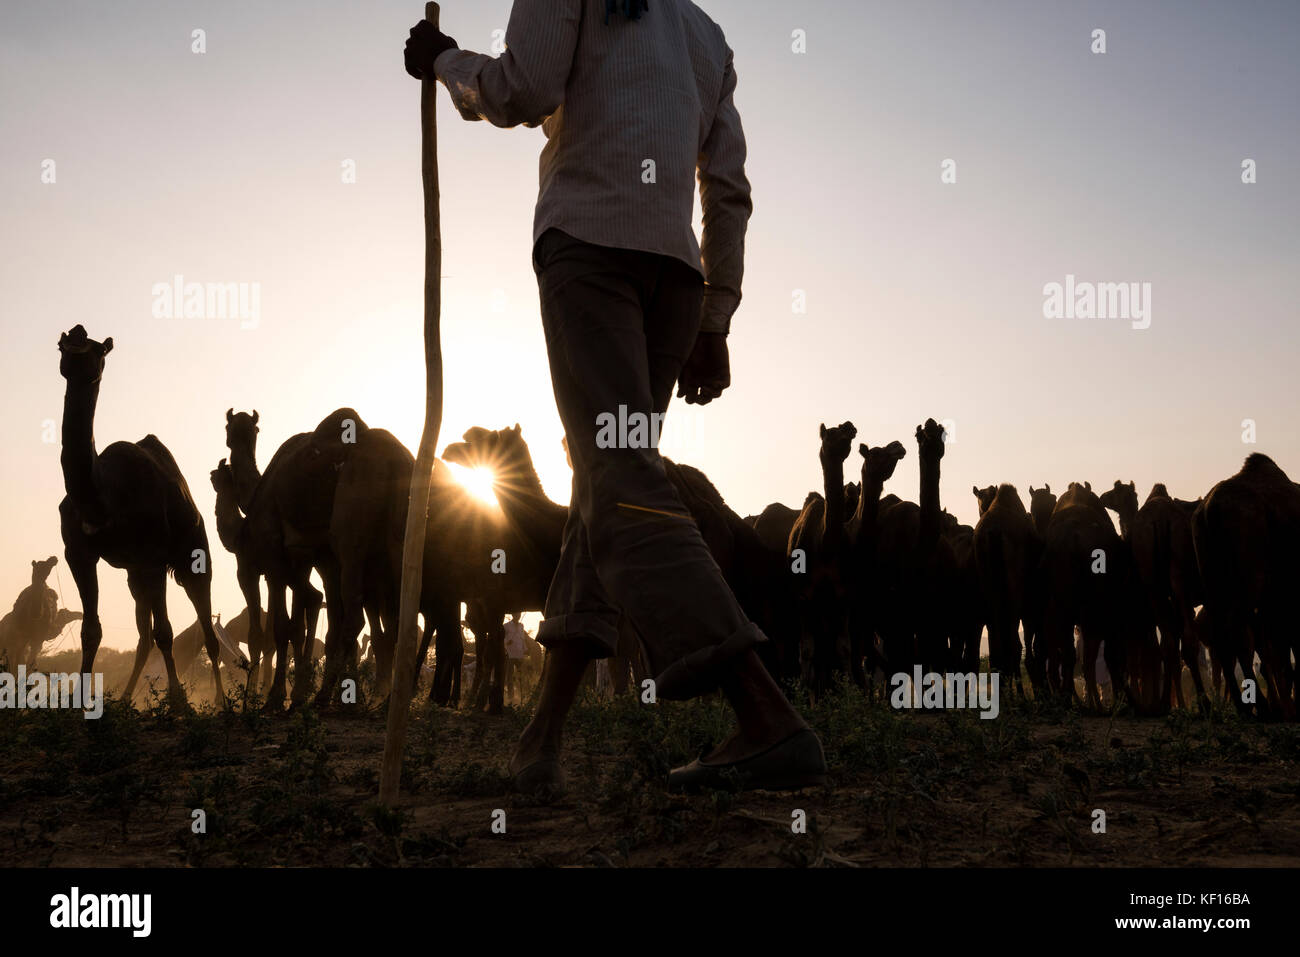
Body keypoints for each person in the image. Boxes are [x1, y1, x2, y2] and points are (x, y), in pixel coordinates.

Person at [405, 0, 825, 794]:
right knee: (603, 484)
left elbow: (520, 90)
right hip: (672, 277)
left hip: (589, 254)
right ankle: (540, 744)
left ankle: (766, 714)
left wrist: (444, 62)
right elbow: (727, 185)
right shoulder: (704, 34)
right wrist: (714, 313)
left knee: (623, 482)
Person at [503, 612, 529, 703]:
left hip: (520, 654)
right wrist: (506, 643)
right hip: (510, 654)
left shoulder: (521, 625)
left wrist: (525, 649)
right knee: (509, 675)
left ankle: (522, 695)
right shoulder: (506, 626)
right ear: (513, 615)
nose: (518, 616)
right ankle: (511, 696)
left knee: (521, 675)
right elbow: (502, 638)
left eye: (519, 614)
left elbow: (523, 638)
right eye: (517, 614)